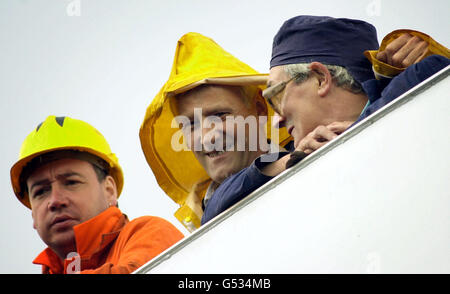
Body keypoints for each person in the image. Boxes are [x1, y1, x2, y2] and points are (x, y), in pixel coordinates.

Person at [201, 15, 450, 224]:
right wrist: (289, 161)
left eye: (275, 96)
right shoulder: (294, 153)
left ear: (320, 78)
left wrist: (360, 127)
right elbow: (213, 210)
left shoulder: (416, 80)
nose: (275, 120)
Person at [139, 32, 292, 231]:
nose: (207, 137)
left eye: (220, 115)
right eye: (191, 124)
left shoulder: (316, 157)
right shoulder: (201, 213)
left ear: (260, 108)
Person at [10, 115, 184, 274]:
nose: (55, 201)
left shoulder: (151, 233)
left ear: (109, 190)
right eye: (40, 192)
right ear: (33, 214)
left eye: (71, 182)